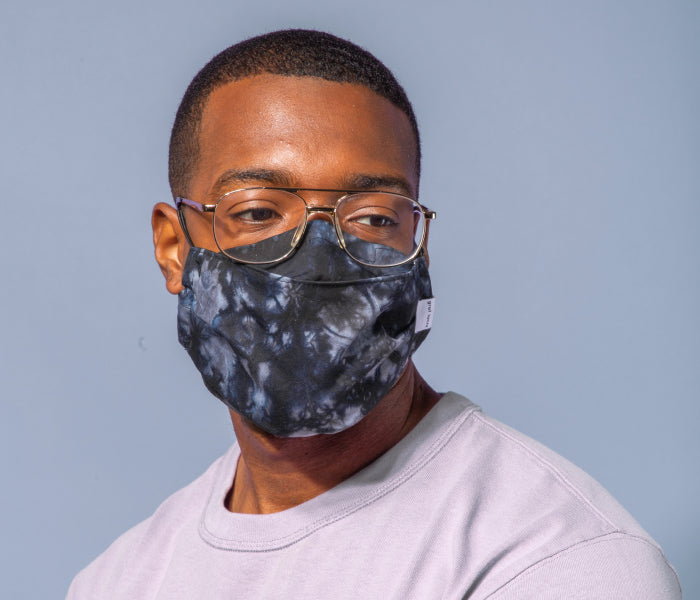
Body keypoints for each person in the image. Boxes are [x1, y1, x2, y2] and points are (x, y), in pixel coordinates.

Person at [67, 29, 681, 599]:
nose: (315, 261)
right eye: (257, 212)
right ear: (174, 248)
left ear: (418, 248)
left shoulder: (557, 564)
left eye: (372, 218)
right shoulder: (117, 582)